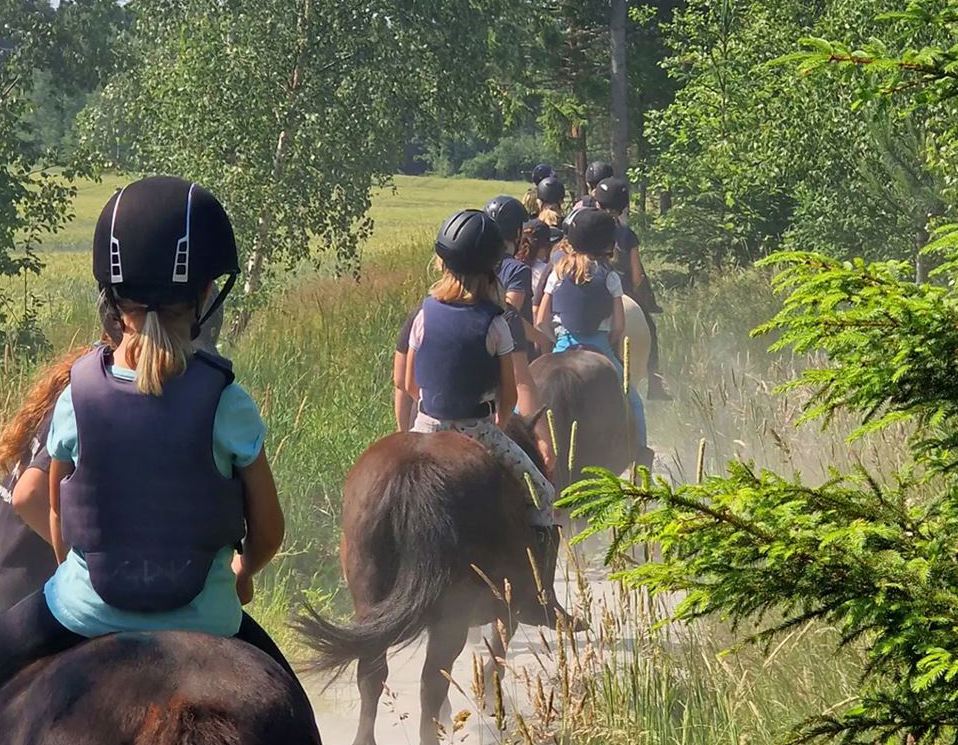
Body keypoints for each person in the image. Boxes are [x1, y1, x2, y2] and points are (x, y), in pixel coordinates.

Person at [0, 176, 294, 687]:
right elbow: (268, 532)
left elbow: (57, 520)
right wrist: (242, 575)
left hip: (81, 611)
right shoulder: (229, 402)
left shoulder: (76, 395)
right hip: (208, 619)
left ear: (113, 300)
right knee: (289, 697)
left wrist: (80, 579)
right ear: (206, 293)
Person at [406, 209, 563, 601]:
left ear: (443, 261)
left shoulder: (423, 313)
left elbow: (409, 382)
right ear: (494, 266)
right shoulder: (495, 322)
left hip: (423, 426)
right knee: (543, 494)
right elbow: (508, 396)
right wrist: (498, 421)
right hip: (475, 427)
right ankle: (542, 598)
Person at [536, 207, 650, 458]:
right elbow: (619, 325)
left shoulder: (557, 271)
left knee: (528, 402)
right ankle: (641, 454)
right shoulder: (610, 277)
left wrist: (560, 339)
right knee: (633, 400)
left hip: (563, 343)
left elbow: (540, 320)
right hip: (600, 345)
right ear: (606, 244)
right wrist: (606, 341)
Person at [0, 349, 89, 612]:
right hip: (21, 584)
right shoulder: (90, 398)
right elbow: (28, 495)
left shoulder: (76, 382)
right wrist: (85, 566)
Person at [594, 177, 671, 400]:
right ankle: (655, 380)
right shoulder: (627, 235)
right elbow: (637, 276)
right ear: (625, 206)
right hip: (624, 296)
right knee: (651, 329)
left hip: (596, 295)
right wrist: (641, 298)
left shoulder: (591, 228)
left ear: (598, 203)